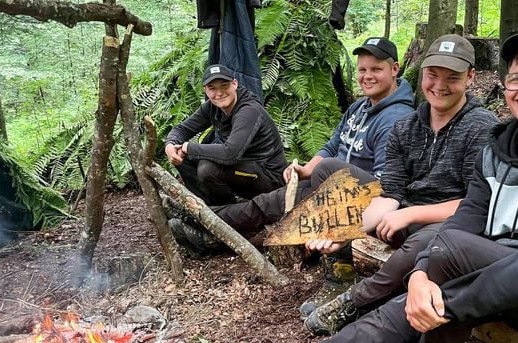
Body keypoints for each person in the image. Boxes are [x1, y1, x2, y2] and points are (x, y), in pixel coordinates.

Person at [185, 33, 518, 343]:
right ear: (504, 85)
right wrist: (419, 278)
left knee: (434, 269)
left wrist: (443, 302)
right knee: (403, 299)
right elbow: (469, 217)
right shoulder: (500, 148)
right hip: (492, 267)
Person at [301, 35, 499, 335]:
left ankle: (355, 301)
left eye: (452, 77)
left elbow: (476, 203)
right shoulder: (406, 127)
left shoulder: (482, 127)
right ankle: (340, 275)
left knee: (427, 243)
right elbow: (390, 193)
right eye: (433, 75)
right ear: (421, 74)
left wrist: (410, 214)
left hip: (450, 226)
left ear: (470, 77)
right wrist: (349, 229)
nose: (440, 85)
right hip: (399, 216)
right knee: (332, 171)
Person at [171, 37, 415, 267]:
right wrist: (307, 169)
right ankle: (202, 218)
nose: (367, 76)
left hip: (352, 197)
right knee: (267, 203)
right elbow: (331, 146)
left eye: (376, 70)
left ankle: (202, 226)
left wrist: (326, 176)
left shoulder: (396, 118)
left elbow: (386, 184)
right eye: (362, 70)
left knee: (265, 207)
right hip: (326, 182)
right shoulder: (358, 107)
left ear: (394, 69)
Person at [163, 64, 287, 207]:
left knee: (207, 169)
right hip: (242, 170)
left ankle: (226, 214)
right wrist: (170, 145)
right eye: (212, 88)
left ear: (235, 84)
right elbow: (182, 129)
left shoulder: (248, 110)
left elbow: (230, 153)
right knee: (182, 157)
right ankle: (205, 208)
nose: (219, 93)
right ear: (206, 91)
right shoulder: (212, 107)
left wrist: (188, 147)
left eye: (224, 85)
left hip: (269, 179)